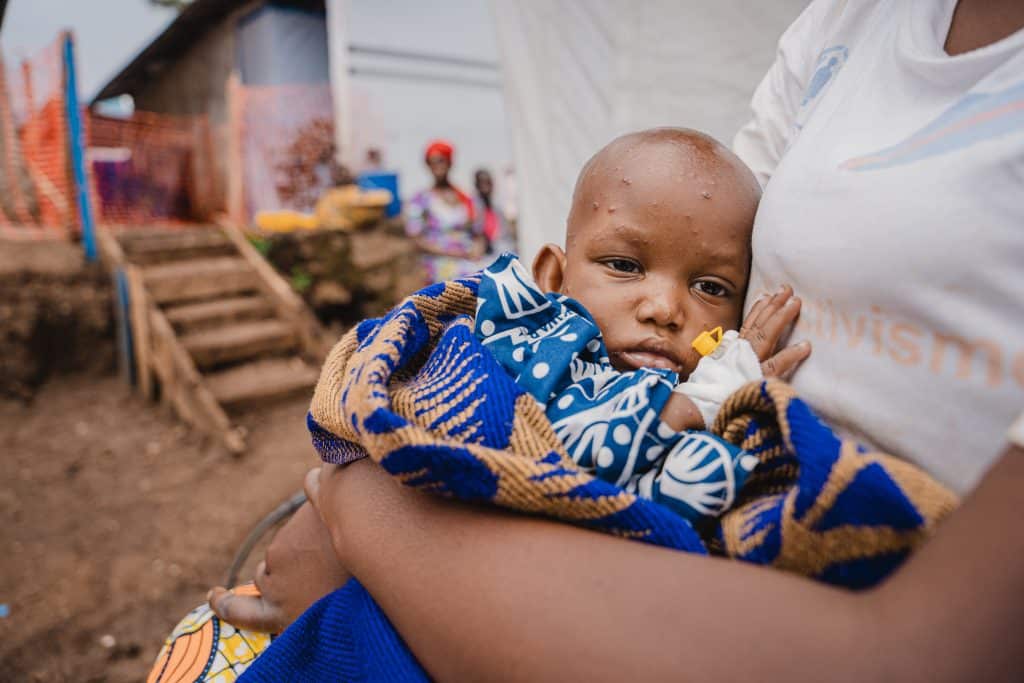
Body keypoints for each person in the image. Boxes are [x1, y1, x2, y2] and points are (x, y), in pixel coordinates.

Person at [157, 1, 1024, 680]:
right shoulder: (528, 333)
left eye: (711, 288)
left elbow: (651, 435)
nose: (664, 307)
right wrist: (348, 486)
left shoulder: (680, 376)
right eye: (622, 265)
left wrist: (357, 515)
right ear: (552, 270)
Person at [404, 139, 485, 285]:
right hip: (438, 267)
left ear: (450, 163)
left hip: (469, 264)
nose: (437, 166)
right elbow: (415, 239)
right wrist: (452, 254)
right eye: (432, 162)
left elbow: (479, 233)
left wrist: (477, 251)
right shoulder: (420, 199)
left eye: (441, 161)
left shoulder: (467, 198)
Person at [472, 168, 514, 255]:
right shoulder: (473, 206)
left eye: (488, 183)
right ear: (477, 185)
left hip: (501, 248)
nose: (485, 187)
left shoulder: (497, 206)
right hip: (484, 254)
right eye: (482, 183)